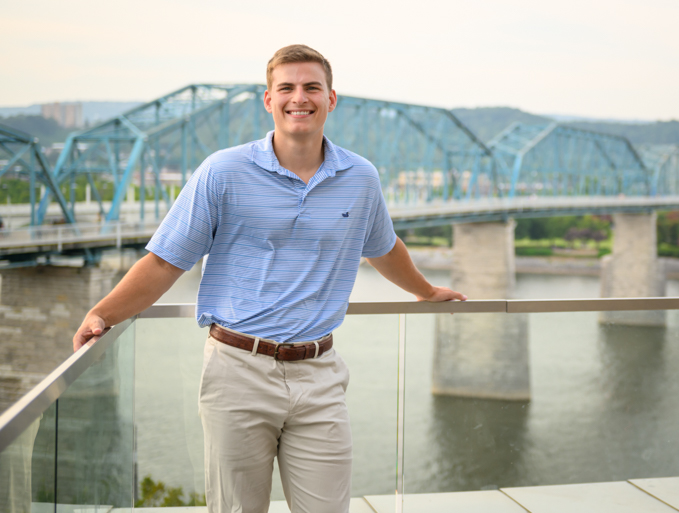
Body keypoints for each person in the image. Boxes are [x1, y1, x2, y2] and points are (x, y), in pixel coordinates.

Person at [72, 44, 466, 513]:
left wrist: (426, 291)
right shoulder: (223, 171)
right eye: (287, 88)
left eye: (311, 87)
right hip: (237, 372)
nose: (299, 98)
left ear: (331, 99)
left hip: (320, 375)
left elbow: (382, 246)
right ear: (268, 99)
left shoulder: (361, 177)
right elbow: (164, 261)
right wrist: (102, 313)